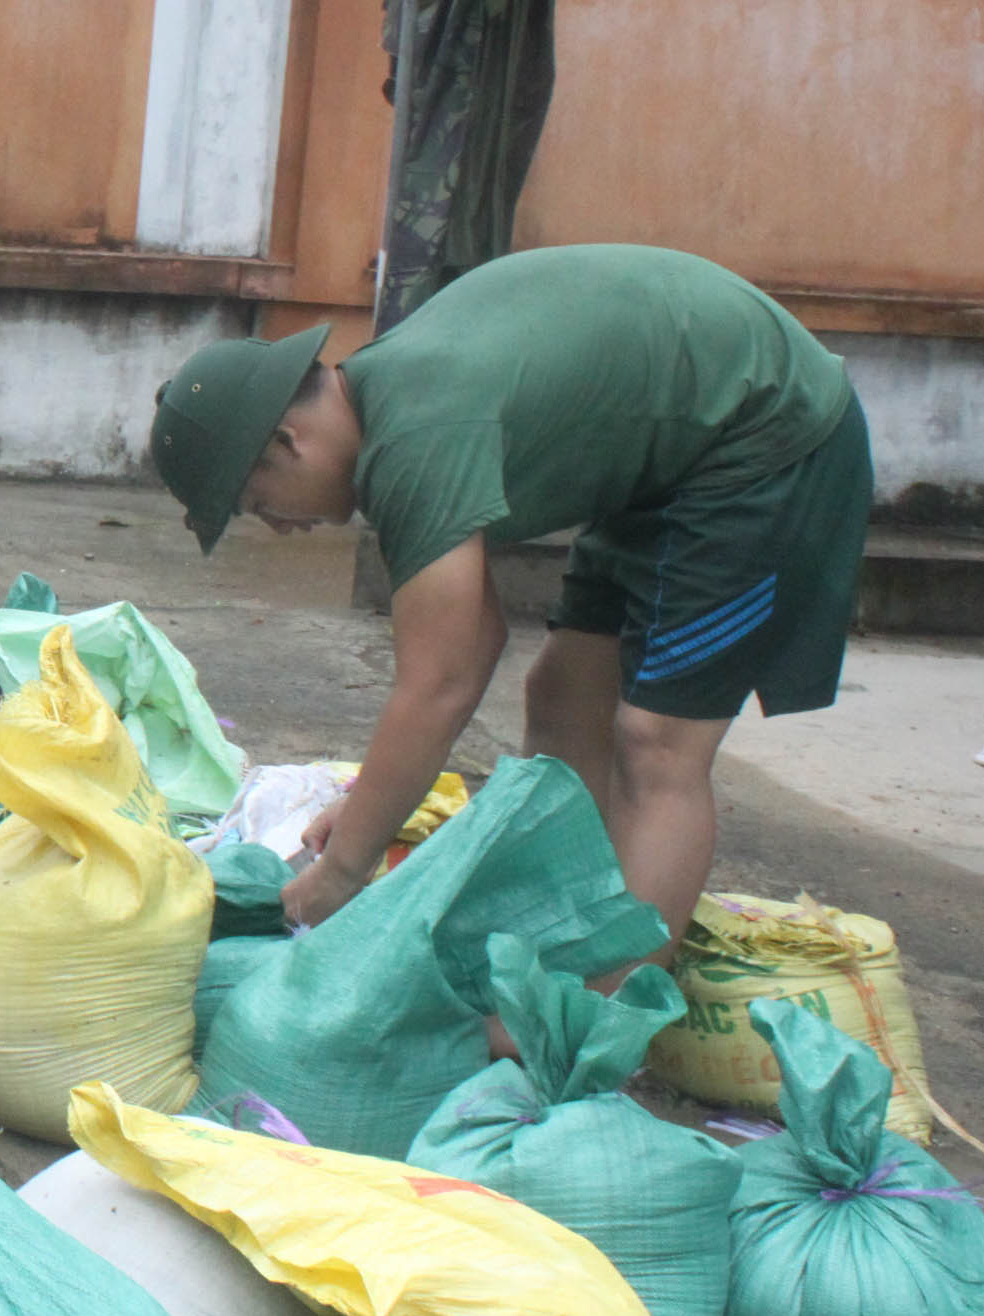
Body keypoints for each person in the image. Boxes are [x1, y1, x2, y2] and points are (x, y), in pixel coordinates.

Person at [149, 243, 870, 947]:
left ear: (288, 438)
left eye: (255, 499)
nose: (276, 525)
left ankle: (602, 1010)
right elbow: (476, 638)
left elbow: (443, 681)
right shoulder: (394, 402)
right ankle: (555, 933)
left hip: (768, 431)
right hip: (674, 450)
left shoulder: (415, 436)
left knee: (657, 743)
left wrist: (340, 872)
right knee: (562, 694)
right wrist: (368, 802)